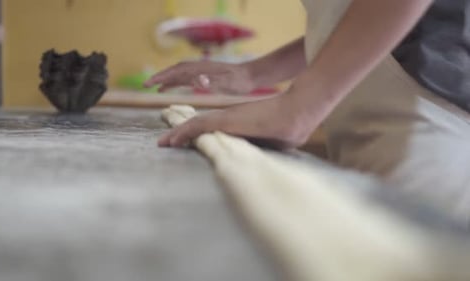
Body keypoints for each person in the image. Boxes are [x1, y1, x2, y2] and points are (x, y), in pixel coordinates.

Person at [146, 0, 470, 227]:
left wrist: (300, 106)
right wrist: (253, 74)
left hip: (431, 126)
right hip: (374, 134)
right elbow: (357, 23)